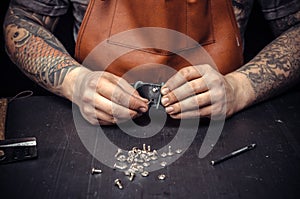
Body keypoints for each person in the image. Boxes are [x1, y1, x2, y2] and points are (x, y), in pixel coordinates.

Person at [3, 0, 300, 125]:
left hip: (225, 125)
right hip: (95, 125)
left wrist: (239, 87)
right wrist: (73, 81)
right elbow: (21, 19)